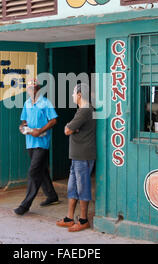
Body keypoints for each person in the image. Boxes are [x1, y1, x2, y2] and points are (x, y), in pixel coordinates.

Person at [14, 79, 59, 216]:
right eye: (28, 89)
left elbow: (53, 120)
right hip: (30, 142)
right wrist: (23, 127)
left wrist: (40, 131)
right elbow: (24, 121)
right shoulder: (27, 103)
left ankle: (25, 205)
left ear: (38, 89)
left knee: (33, 171)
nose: (30, 91)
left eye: (33, 88)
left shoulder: (45, 103)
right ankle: (52, 196)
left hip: (42, 142)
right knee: (41, 170)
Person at [56, 83, 96, 232]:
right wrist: (72, 127)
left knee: (82, 187)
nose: (72, 96)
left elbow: (67, 130)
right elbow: (70, 128)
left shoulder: (84, 111)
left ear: (79, 94)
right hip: (77, 156)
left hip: (83, 156)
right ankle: (69, 218)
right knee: (72, 187)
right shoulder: (82, 110)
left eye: (73, 93)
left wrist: (71, 128)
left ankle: (84, 220)